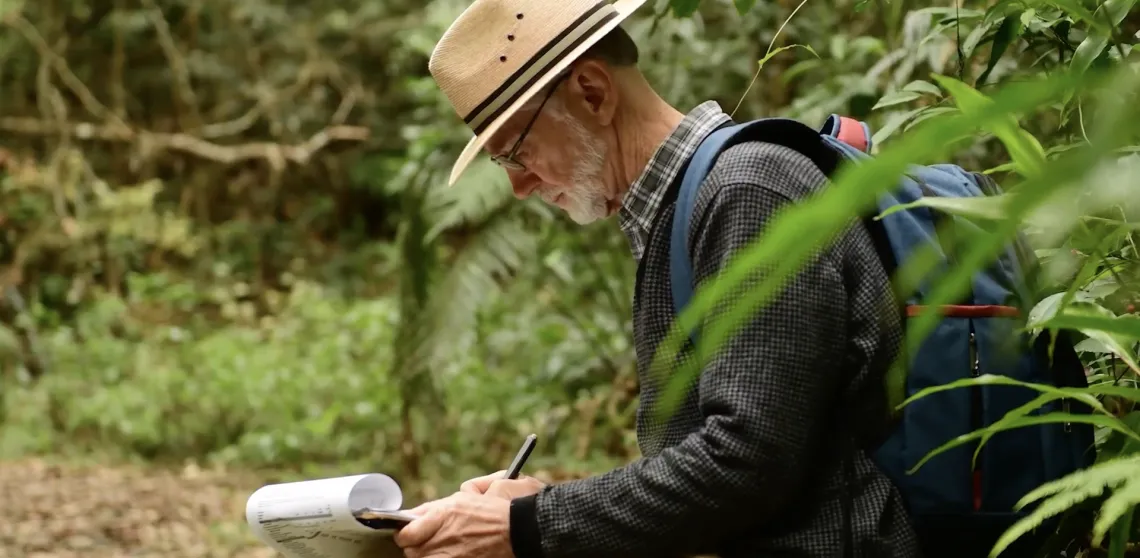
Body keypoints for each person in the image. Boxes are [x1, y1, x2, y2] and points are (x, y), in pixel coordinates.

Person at [395, 0, 921, 557]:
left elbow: (749, 460)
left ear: (593, 92)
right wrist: (538, 506)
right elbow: (726, 462)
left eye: (517, 154)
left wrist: (528, 525)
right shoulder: (685, 210)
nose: (520, 188)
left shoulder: (748, 193)